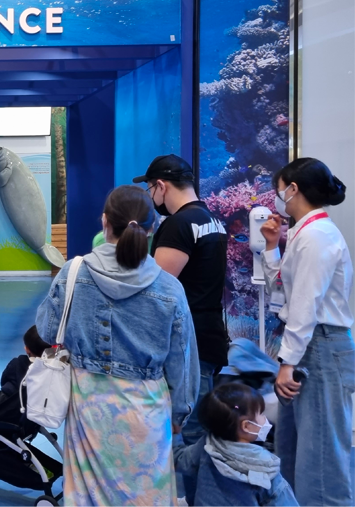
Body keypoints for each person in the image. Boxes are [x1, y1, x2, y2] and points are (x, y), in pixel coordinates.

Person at [36, 185, 199, 506]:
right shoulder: (170, 288)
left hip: (88, 407)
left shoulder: (73, 273)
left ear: (104, 222)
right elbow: (182, 360)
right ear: (152, 228)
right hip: (147, 411)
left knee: (88, 497)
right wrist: (180, 413)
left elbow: (46, 329)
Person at [134, 154, 229, 503]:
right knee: (201, 426)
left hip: (190, 342)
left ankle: (196, 498)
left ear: (161, 186)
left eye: (150, 188)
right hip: (212, 334)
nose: (151, 196)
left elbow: (158, 289)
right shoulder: (212, 219)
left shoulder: (178, 225)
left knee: (191, 431)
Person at [260, 157, 354, 506]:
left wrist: (287, 362)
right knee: (294, 449)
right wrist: (272, 247)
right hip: (309, 346)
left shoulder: (316, 236)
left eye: (279, 190)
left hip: (320, 346)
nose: (277, 198)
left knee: (321, 459)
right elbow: (285, 291)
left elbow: (304, 305)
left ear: (293, 189)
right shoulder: (305, 232)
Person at [173, 383, 299, 507]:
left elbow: (180, 460)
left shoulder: (207, 446)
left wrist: (173, 429)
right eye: (261, 413)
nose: (264, 418)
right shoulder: (264, 466)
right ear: (246, 426)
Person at [0, 325, 50, 418]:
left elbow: (4, 381)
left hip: (10, 404)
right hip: (36, 413)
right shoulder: (55, 372)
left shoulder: (18, 363)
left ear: (27, 349)